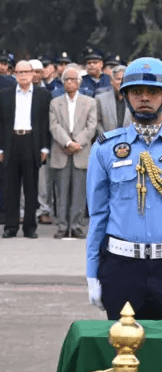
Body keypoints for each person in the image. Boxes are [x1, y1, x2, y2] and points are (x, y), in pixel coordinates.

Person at [86, 57, 162, 320]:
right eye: (136, 91)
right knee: (123, 355)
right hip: (121, 267)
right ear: (126, 96)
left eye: (153, 91)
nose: (144, 97)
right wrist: (91, 272)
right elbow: (98, 215)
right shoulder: (106, 148)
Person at [0, 60, 52, 239]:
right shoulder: (4, 95)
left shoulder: (43, 95)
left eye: (26, 72)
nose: (23, 75)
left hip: (32, 142)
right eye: (19, 72)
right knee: (10, 187)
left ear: (32, 74)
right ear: (14, 74)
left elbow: (45, 124)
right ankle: (10, 226)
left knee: (31, 188)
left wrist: (45, 147)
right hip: (11, 142)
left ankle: (30, 227)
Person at [48, 66, 97, 239]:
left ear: (79, 82)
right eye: (66, 80)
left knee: (79, 191)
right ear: (62, 83)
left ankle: (76, 225)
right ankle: (62, 225)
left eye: (73, 79)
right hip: (61, 150)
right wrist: (68, 142)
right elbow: (54, 126)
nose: (70, 82)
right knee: (61, 191)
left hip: (81, 151)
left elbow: (91, 127)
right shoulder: (55, 102)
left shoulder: (90, 102)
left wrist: (78, 142)